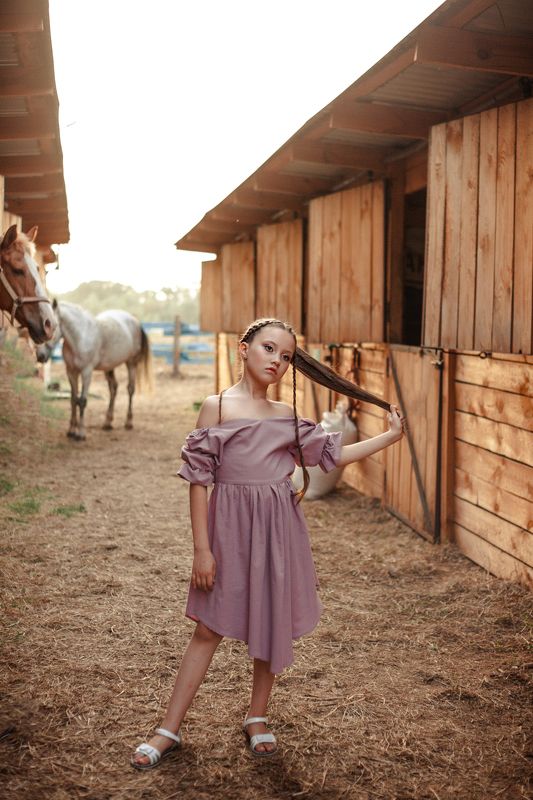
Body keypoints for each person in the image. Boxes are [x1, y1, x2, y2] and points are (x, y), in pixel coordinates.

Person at [131, 318, 406, 769]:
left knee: (271, 621)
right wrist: (203, 549)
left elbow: (333, 454)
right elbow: (198, 482)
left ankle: (257, 717)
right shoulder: (216, 407)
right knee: (207, 627)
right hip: (229, 531)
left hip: (278, 531)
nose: (276, 361)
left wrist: (390, 437)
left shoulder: (287, 418)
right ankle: (168, 730)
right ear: (244, 349)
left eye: (286, 356)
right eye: (268, 349)